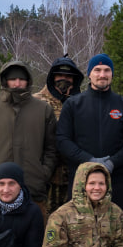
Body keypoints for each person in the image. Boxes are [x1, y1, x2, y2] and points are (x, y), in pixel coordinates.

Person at [55, 53, 123, 218]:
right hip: (81, 179)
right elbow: (62, 140)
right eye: (97, 70)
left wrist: (112, 162)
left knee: (117, 230)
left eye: (107, 70)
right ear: (89, 74)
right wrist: (88, 160)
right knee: (81, 231)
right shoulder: (73, 104)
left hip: (116, 179)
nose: (102, 74)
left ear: (112, 74)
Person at [0, 60, 57, 204]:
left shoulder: (43, 109)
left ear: (28, 81)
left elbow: (52, 147)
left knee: (34, 226)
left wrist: (43, 174)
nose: (17, 83)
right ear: (5, 81)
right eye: (12, 79)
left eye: (21, 79)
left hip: (33, 190)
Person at [34, 56, 85, 214]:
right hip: (44, 176)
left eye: (69, 77)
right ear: (52, 77)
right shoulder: (36, 102)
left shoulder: (83, 102)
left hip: (75, 176)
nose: (64, 80)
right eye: (60, 76)